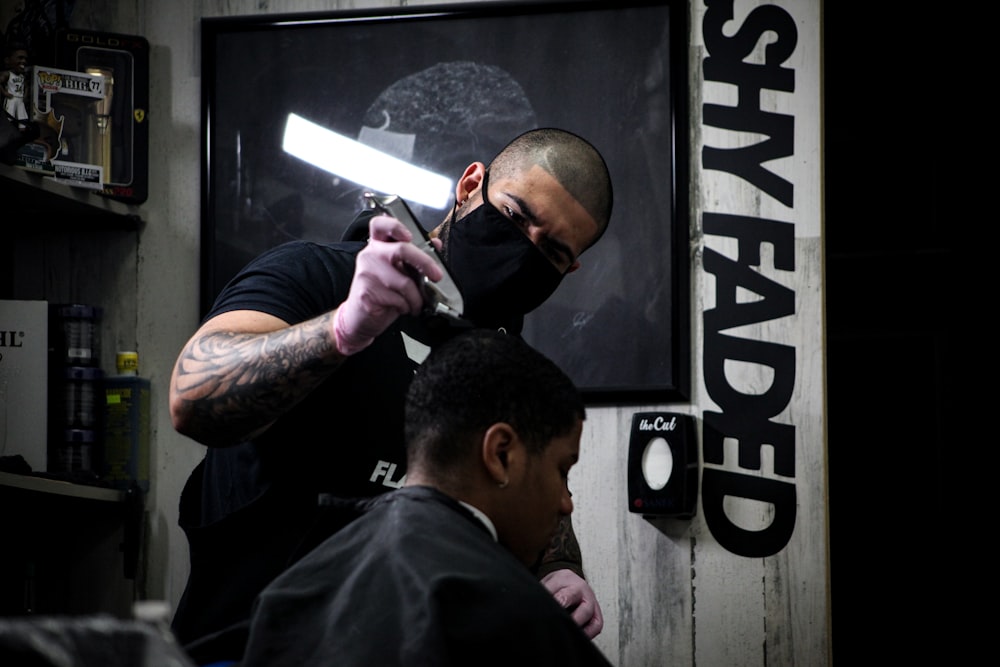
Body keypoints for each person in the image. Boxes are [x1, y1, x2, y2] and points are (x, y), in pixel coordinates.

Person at [169, 127, 614, 663]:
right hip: (245, 646)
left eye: (553, 251)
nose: (524, 251)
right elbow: (192, 398)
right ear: (471, 184)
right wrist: (339, 331)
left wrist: (558, 568)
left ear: (572, 267)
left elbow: (531, 488)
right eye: (516, 217)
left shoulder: (506, 368)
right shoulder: (317, 276)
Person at [240, 329, 613, 666]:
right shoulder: (519, 621)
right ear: (500, 455)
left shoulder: (287, 593)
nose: (567, 503)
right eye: (562, 471)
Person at [1, 43, 29, 130]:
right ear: (7, 60)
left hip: (20, 99)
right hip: (11, 99)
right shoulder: (7, 74)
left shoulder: (22, 76)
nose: (23, 61)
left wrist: (25, 95)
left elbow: (26, 86)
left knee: (22, 121)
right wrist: (5, 93)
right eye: (20, 58)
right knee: (9, 119)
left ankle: (21, 134)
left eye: (25, 59)